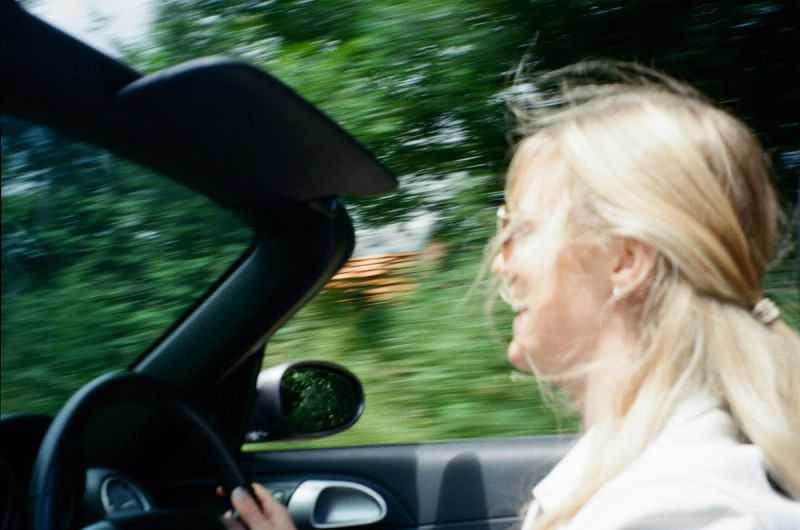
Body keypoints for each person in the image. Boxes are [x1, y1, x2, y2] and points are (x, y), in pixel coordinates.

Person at [224, 61, 800, 529]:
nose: (499, 260)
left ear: (625, 261)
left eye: (519, 229)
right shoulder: (654, 472)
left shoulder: (679, 509)